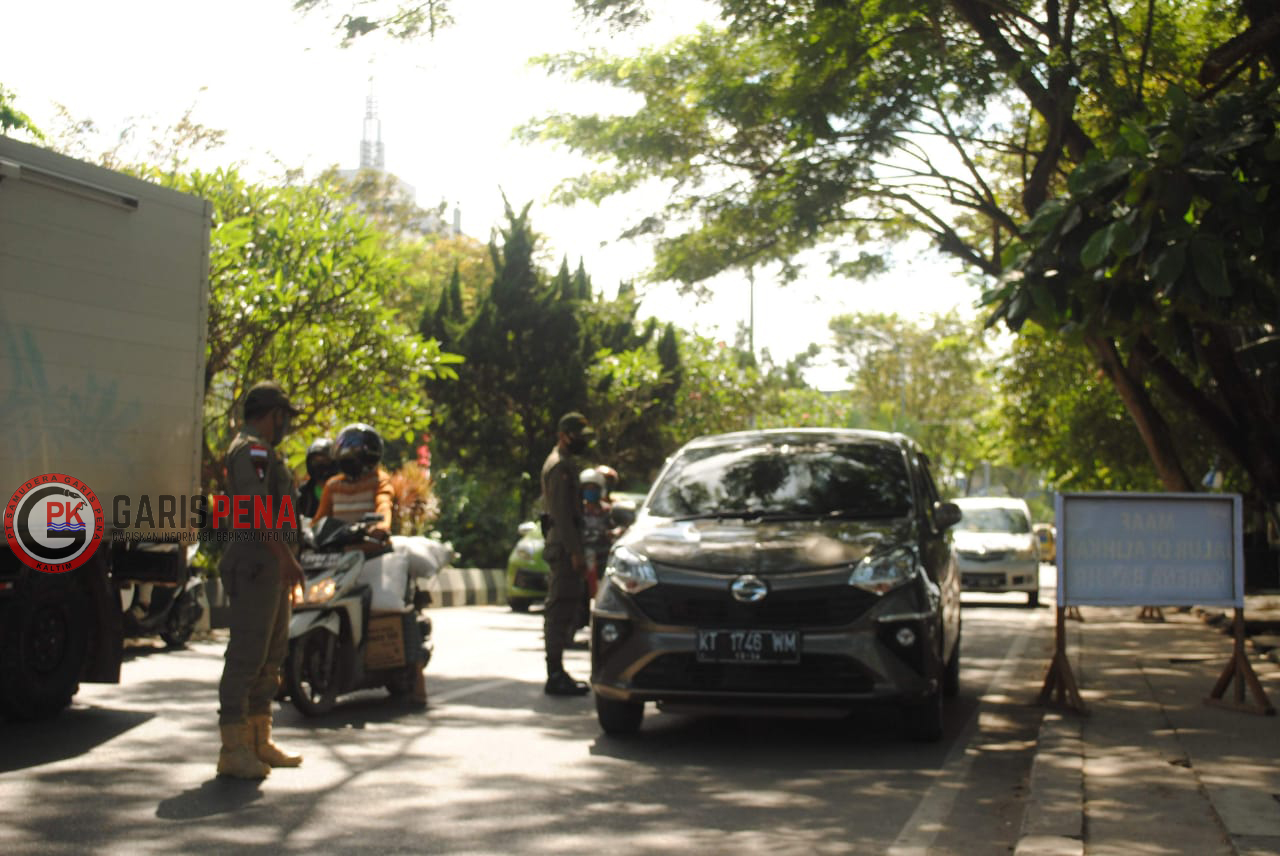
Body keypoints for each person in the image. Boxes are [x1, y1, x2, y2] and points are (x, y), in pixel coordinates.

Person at [216, 380, 306, 779]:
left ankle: (258, 739)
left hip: (271, 568)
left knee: (271, 656)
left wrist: (284, 560)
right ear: (274, 415)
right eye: (284, 416)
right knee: (247, 657)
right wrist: (286, 557)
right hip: (256, 565)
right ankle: (233, 748)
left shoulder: (263, 450)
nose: (286, 424)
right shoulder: (250, 449)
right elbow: (254, 508)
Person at [314, 422, 428, 706]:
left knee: (393, 610)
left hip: (373, 558)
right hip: (340, 559)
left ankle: (418, 680)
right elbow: (319, 520)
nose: (348, 454)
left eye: (354, 448)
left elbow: (383, 506)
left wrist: (381, 527)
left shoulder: (379, 481)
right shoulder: (333, 485)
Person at [540, 411, 595, 696]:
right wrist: (575, 552)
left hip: (564, 544)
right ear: (563, 436)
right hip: (563, 546)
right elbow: (562, 515)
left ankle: (558, 670)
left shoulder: (564, 463)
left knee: (566, 606)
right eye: (577, 436)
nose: (582, 442)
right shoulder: (560, 466)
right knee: (559, 608)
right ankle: (555, 673)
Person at [296, 437, 336, 520]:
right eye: (315, 461)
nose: (320, 464)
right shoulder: (304, 492)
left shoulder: (343, 488)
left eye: (324, 460)